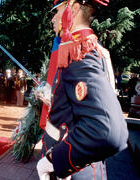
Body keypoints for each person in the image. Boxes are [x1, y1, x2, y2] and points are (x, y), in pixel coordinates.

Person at [36, 0, 128, 179]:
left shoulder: (79, 52)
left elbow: (107, 130)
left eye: (58, 11)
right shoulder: (93, 47)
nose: (53, 18)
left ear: (74, 8)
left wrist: (55, 159)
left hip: (73, 168)